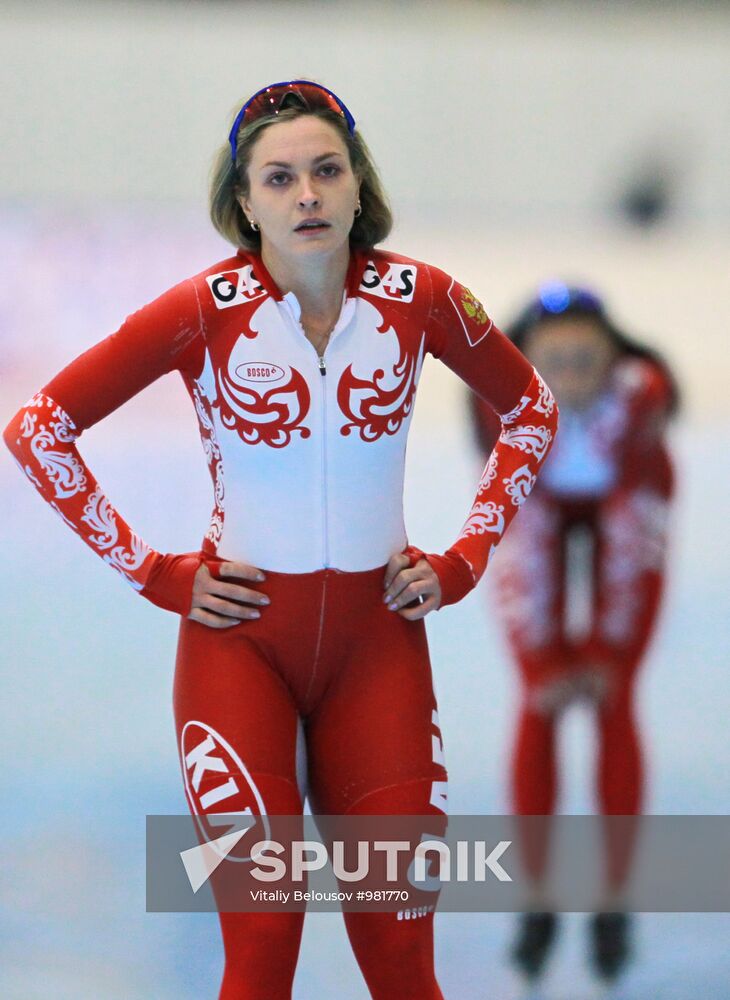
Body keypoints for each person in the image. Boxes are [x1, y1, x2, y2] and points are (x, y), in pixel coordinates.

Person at [4, 80, 558, 1000]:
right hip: (238, 652)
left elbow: (532, 409)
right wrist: (153, 571)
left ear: (356, 186)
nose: (306, 194)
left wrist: (465, 558)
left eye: (326, 171)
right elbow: (39, 428)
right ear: (244, 202)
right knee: (262, 952)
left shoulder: (422, 297)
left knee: (402, 961)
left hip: (378, 654)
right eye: (280, 177)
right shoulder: (202, 308)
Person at [469, 283, 677, 990]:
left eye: (587, 363)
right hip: (535, 513)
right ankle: (537, 891)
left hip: (628, 504)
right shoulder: (497, 407)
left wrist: (607, 653)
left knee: (612, 692)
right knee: (542, 695)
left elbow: (634, 559)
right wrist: (545, 658)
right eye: (554, 365)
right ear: (527, 368)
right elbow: (518, 554)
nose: (572, 382)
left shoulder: (641, 403)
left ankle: (614, 896)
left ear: (615, 363)